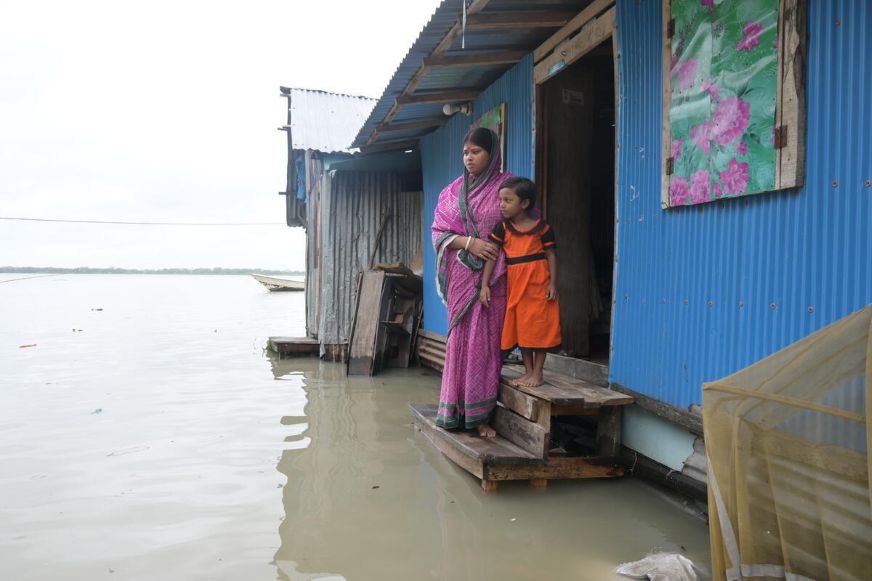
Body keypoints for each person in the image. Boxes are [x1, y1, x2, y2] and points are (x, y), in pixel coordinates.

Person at [431, 127, 510, 438]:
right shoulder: (451, 193)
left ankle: (480, 416)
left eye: (476, 151)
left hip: (495, 278)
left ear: (491, 154)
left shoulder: (507, 186)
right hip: (461, 278)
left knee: (486, 344)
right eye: (466, 152)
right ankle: (453, 409)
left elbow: (521, 222)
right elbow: (438, 232)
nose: (469, 158)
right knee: (459, 340)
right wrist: (468, 243)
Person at [480, 177, 561, 388]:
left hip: (539, 283)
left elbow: (551, 255)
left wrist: (553, 283)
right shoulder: (502, 229)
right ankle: (528, 372)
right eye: (500, 200)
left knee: (540, 327)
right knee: (522, 327)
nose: (502, 205)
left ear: (524, 203)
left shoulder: (543, 229)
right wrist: (484, 284)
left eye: (508, 200)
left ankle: (538, 373)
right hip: (516, 285)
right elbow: (492, 255)